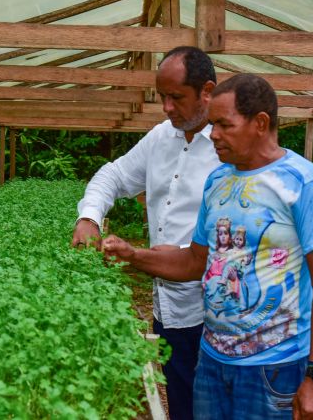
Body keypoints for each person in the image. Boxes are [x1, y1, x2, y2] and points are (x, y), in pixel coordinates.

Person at [103, 73, 313, 420]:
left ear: (260, 123)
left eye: (224, 125)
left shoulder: (303, 183)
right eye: (212, 124)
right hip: (212, 362)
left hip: (273, 368)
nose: (213, 134)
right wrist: (133, 255)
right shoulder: (218, 180)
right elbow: (195, 262)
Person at [72, 46, 222, 420]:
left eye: (177, 97)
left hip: (215, 317)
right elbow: (114, 175)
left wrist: (134, 254)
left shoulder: (228, 149)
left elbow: (208, 252)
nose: (167, 108)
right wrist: (89, 217)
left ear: (207, 91)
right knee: (182, 406)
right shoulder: (161, 137)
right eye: (162, 97)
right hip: (167, 311)